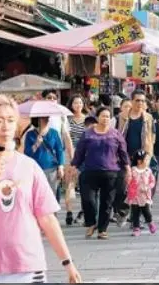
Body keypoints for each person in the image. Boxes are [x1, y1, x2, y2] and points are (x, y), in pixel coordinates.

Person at [0, 94, 81, 283]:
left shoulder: (29, 166)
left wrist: (68, 263)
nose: (5, 127)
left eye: (11, 120)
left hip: (28, 266)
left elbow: (47, 218)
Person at [70, 106, 130, 240]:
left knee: (107, 202)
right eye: (103, 116)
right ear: (97, 118)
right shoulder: (88, 133)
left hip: (111, 173)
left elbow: (123, 152)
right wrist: (74, 166)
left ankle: (102, 229)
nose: (105, 118)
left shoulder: (115, 134)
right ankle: (91, 223)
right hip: (89, 171)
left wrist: (127, 168)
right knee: (88, 199)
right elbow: (79, 152)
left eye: (108, 116)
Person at [115, 90, 155, 225]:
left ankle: (135, 218)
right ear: (132, 101)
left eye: (143, 101)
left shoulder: (148, 118)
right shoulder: (122, 117)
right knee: (123, 186)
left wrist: (148, 156)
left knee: (139, 187)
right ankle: (124, 211)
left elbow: (151, 138)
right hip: (124, 156)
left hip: (141, 158)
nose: (140, 103)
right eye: (137, 100)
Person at [24, 116, 65, 199]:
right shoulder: (30, 134)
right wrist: (36, 144)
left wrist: (61, 166)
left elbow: (59, 150)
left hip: (51, 168)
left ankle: (53, 212)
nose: (47, 119)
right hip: (35, 169)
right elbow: (27, 153)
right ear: (37, 119)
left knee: (52, 195)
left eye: (47, 117)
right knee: (37, 195)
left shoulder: (54, 133)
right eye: (43, 117)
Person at [64, 94, 87, 226]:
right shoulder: (66, 119)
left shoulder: (88, 120)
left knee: (84, 185)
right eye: (75, 103)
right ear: (71, 105)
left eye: (80, 103)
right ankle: (69, 212)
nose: (78, 105)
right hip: (69, 154)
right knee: (69, 184)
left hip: (84, 155)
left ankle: (83, 211)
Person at [126, 150, 157, 237]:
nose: (148, 162)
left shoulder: (148, 171)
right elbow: (128, 181)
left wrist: (148, 187)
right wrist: (128, 185)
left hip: (145, 195)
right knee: (135, 213)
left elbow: (152, 181)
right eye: (146, 160)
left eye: (148, 160)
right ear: (139, 161)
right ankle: (136, 228)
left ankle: (150, 222)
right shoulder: (133, 170)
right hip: (135, 196)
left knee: (146, 210)